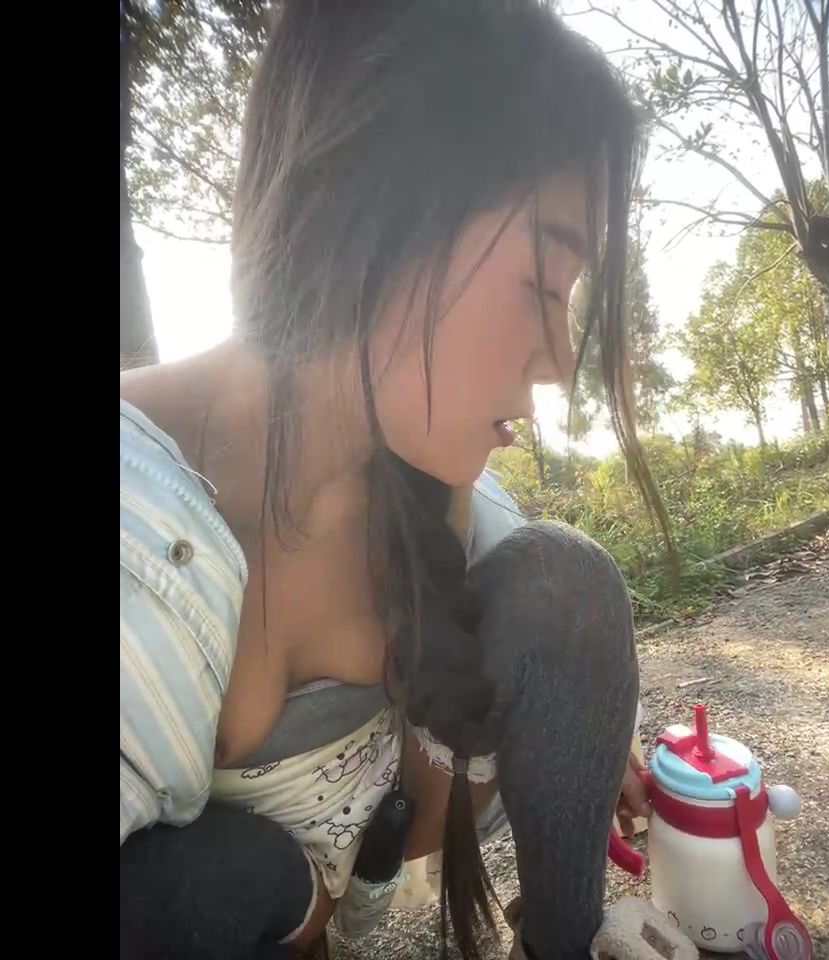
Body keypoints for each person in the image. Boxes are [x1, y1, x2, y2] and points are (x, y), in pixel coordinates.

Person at [119, 2, 667, 958]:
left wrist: (586, 740)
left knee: (568, 580)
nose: (556, 358)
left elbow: (550, 622)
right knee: (203, 885)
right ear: (374, 211)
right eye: (546, 284)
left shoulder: (421, 476)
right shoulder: (140, 528)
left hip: (393, 830)